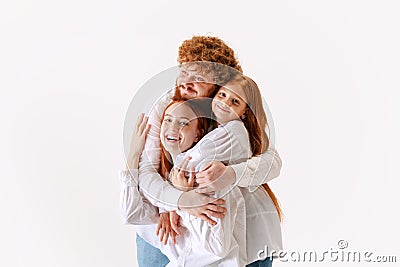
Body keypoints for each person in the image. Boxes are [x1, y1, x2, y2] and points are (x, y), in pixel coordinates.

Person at [128, 36, 282, 266]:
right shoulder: (165, 108)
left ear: (217, 86)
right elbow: (147, 171)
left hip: (239, 234)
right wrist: (177, 201)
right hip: (166, 233)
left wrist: (232, 174)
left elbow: (272, 162)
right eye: (184, 72)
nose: (185, 83)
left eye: (198, 78)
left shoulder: (231, 112)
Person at [172, 74, 283, 266]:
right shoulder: (211, 126)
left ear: (244, 112)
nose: (225, 103)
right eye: (222, 95)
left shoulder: (234, 131)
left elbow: (190, 164)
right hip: (204, 239)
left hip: (248, 239)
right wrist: (176, 200)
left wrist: (178, 189)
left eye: (235, 101)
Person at [122, 99, 247, 266]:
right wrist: (134, 153)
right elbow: (131, 214)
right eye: (167, 119)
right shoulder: (166, 181)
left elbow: (218, 247)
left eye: (184, 123)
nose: (173, 128)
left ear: (197, 134)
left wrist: (184, 201)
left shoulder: (208, 175)